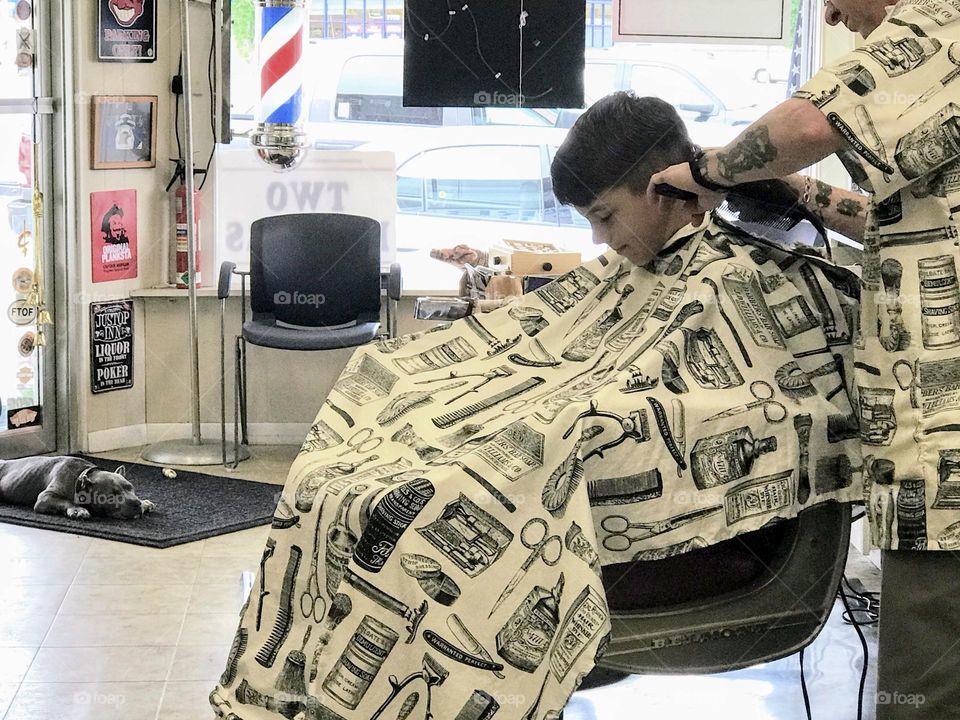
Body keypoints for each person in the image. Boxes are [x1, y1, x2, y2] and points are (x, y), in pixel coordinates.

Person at [210, 92, 861, 720]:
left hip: (683, 530)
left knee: (433, 514)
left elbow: (751, 409)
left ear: (664, 190)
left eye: (606, 217)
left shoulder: (742, 273)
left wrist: (552, 423)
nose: (605, 241)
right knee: (346, 478)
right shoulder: (651, 264)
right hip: (569, 425)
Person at [651, 1, 960, 716]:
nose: (828, 10)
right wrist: (804, 192)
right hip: (932, 449)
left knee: (929, 694)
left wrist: (707, 171)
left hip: (948, 465)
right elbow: (903, 220)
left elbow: (811, 125)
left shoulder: (941, 22)